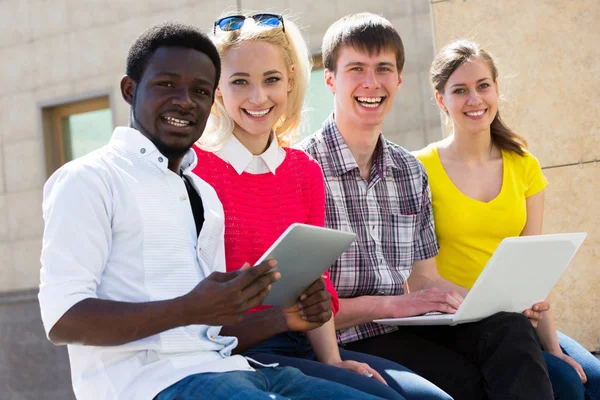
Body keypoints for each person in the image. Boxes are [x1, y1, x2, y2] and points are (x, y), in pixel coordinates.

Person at [38, 21, 389, 400]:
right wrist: (189, 308)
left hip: (238, 368)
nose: (186, 101)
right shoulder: (87, 179)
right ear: (130, 89)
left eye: (200, 91)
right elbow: (62, 319)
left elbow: (211, 330)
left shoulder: (201, 191)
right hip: (152, 384)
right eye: (167, 85)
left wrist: (284, 318)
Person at [192, 12, 451, 400]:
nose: (258, 97)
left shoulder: (303, 171)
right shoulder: (198, 170)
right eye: (240, 82)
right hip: (242, 352)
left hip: (307, 343)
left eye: (272, 80)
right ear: (216, 89)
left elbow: (317, 281)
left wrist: (332, 360)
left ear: (292, 81)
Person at [298, 12, 555, 400]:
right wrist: (396, 304)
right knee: (469, 385)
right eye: (357, 69)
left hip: (406, 328)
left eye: (383, 69)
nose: (372, 82)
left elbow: (426, 280)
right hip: (341, 341)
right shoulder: (302, 169)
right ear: (329, 78)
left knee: (510, 330)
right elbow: (304, 309)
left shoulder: (408, 171)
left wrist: (495, 302)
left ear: (399, 80)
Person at [415, 38, 600, 400]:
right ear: (441, 100)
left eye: (483, 86)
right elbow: (420, 280)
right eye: (460, 90)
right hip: (453, 325)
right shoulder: (419, 169)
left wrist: (552, 345)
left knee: (592, 380)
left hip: (516, 320)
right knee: (564, 386)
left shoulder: (523, 164)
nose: (475, 99)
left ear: (497, 89)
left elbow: (534, 270)